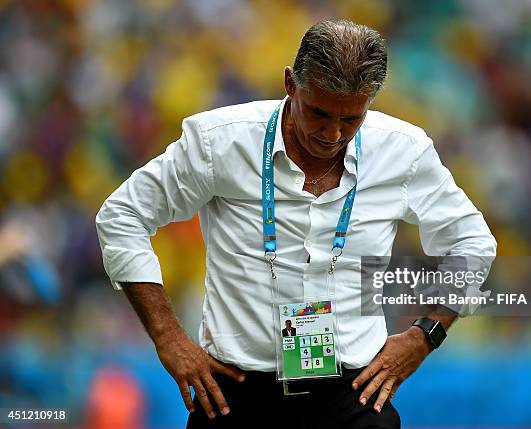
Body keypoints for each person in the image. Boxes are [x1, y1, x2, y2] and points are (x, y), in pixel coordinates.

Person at [96, 19, 496, 429]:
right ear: (290, 84)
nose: (332, 133)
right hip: (235, 395)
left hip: (354, 394)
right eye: (319, 112)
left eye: (351, 119)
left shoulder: (404, 151)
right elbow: (121, 215)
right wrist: (169, 339)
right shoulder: (220, 142)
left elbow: (473, 242)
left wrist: (424, 336)